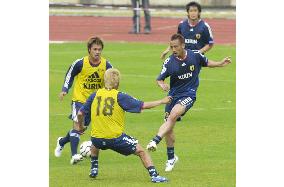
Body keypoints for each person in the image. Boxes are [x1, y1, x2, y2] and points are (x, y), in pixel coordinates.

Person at [147, 33, 231, 172]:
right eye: (172, 47)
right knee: (169, 127)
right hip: (173, 96)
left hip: (189, 94)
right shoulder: (169, 62)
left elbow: (207, 62)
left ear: (183, 45)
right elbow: (159, 78)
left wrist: (221, 63)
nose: (173, 50)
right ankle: (171, 158)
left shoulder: (195, 55)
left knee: (174, 114)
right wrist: (161, 85)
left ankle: (155, 140)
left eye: (176, 47)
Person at [77, 68, 171, 183]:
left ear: (104, 80)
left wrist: (81, 127)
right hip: (115, 139)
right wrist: (162, 101)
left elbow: (80, 113)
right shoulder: (120, 96)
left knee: (95, 141)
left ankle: (94, 168)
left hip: (96, 139)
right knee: (141, 151)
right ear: (117, 83)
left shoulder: (94, 95)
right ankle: (154, 175)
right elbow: (143, 105)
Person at [54, 37, 113, 165]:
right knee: (76, 125)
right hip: (79, 100)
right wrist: (65, 89)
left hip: (95, 102)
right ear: (89, 50)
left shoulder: (106, 65)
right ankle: (74, 155)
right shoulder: (80, 63)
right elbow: (69, 75)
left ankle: (62, 142)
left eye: (100, 50)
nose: (97, 52)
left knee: (80, 130)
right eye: (95, 49)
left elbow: (112, 79)